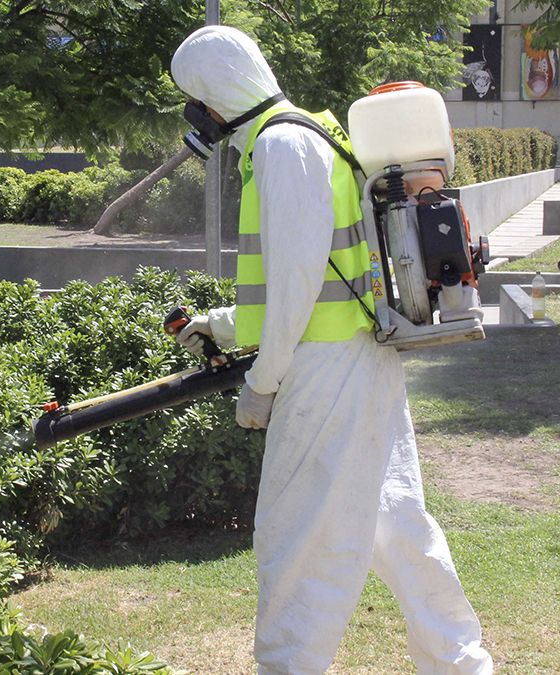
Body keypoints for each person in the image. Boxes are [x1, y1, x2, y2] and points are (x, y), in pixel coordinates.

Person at [169, 26, 493, 674]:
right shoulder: (312, 133)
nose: (194, 115)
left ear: (213, 93)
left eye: (192, 97)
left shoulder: (281, 147)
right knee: (398, 525)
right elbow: (316, 278)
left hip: (322, 376)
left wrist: (264, 381)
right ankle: (459, 662)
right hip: (360, 358)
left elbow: (295, 282)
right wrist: (221, 324)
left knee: (295, 548)